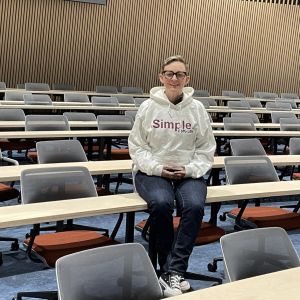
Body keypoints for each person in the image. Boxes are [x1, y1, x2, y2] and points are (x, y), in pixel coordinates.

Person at [128, 55, 216, 297]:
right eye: (170, 73)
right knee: (161, 204)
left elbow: (206, 149)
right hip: (152, 171)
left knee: (196, 206)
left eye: (180, 74)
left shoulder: (197, 109)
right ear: (161, 77)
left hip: (188, 172)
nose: (174, 78)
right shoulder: (148, 107)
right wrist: (158, 168)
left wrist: (189, 170)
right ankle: (170, 271)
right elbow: (137, 147)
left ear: (187, 79)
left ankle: (172, 272)